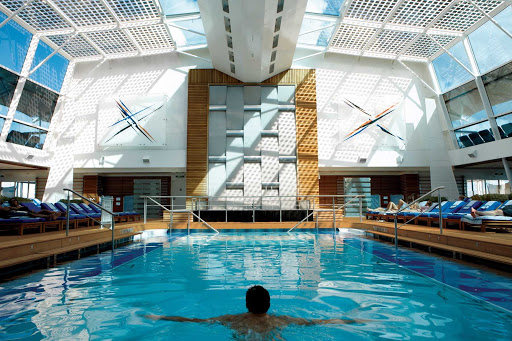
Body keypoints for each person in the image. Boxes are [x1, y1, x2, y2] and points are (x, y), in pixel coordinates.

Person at [145, 285, 367, 337]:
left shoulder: (231, 319)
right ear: (269, 304)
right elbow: (320, 323)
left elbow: (192, 320)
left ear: (246, 304)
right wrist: (352, 321)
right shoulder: (283, 319)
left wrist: (158, 316)